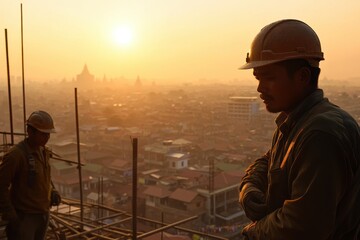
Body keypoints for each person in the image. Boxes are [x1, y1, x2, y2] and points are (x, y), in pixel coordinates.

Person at [238, 19, 360, 239]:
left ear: (302, 77)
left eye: (269, 78)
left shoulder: (321, 133)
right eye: (258, 78)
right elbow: (270, 161)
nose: (260, 89)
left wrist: (252, 233)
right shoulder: (295, 121)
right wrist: (249, 186)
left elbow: (303, 225)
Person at [0, 110, 61, 240]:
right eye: (43, 134)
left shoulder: (43, 152)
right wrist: (11, 215)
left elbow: (45, 179)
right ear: (30, 131)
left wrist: (52, 192)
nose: (47, 137)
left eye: (48, 134)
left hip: (42, 214)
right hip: (25, 217)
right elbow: (1, 186)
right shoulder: (16, 155)